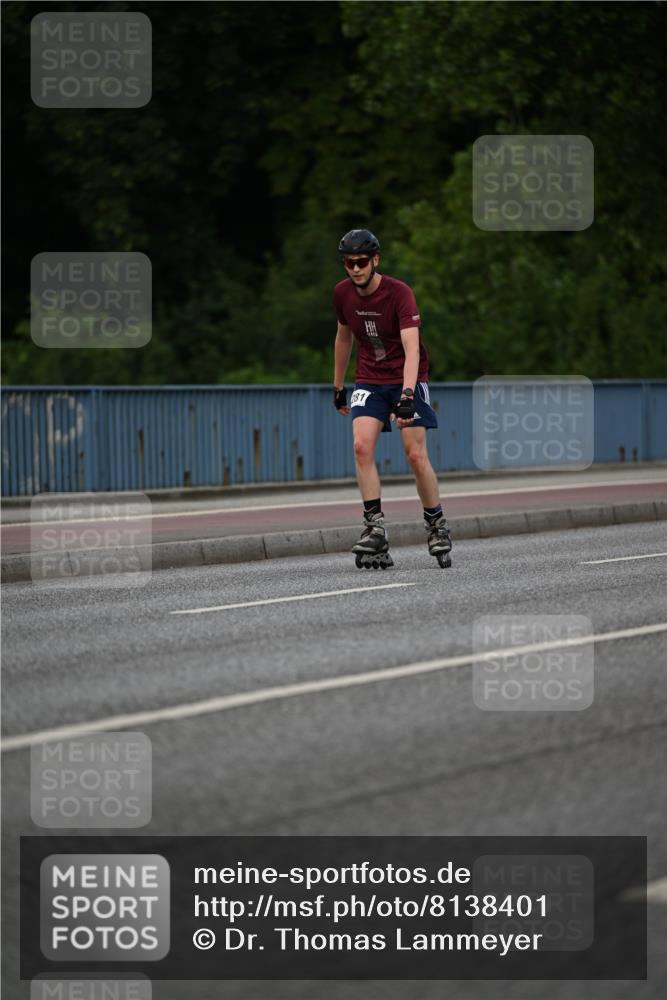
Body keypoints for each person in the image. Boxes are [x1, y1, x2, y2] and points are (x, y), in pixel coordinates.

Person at [332, 228, 452, 566]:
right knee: (361, 446)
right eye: (348, 263)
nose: (354, 269)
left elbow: (412, 348)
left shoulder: (399, 293)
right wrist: (338, 387)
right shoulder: (342, 294)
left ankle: (436, 524)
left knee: (414, 454)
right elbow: (343, 339)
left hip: (406, 378)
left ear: (375, 260)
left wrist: (408, 395)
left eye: (360, 262)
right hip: (368, 380)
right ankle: (375, 528)